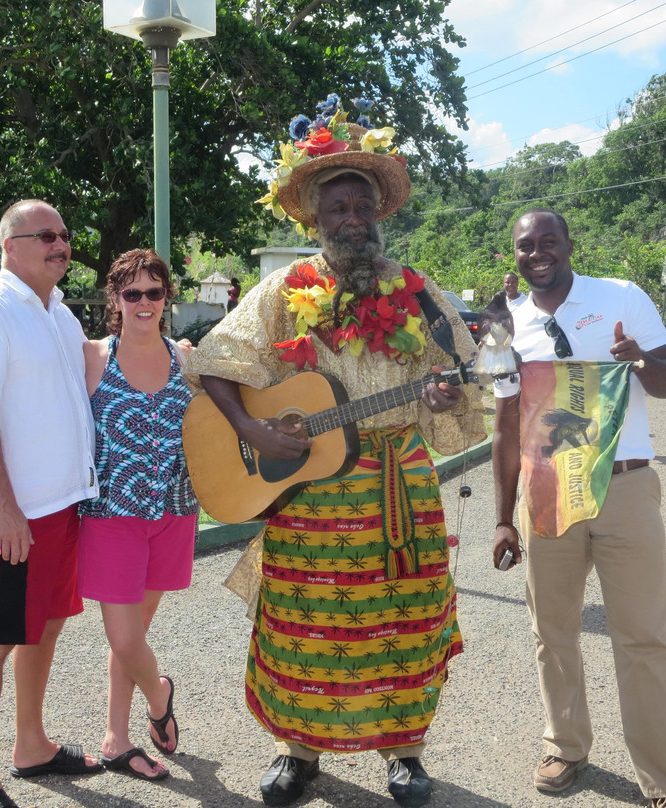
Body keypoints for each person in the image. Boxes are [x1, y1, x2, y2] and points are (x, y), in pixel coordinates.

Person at [183, 101, 486, 808]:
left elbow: (465, 374)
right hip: (309, 493)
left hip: (396, 485)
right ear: (314, 221)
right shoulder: (285, 293)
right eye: (336, 208)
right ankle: (298, 751)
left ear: (379, 211)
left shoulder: (419, 292)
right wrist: (256, 432)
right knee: (301, 623)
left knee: (402, 621)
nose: (351, 217)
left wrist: (445, 398)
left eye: (361, 204)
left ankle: (405, 754)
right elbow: (213, 364)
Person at [491, 208, 666, 808]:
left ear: (569, 245)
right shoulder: (509, 326)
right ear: (517, 254)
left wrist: (638, 359)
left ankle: (665, 782)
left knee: (644, 639)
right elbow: (503, 425)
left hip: (625, 489)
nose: (538, 254)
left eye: (548, 242)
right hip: (548, 489)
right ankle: (566, 746)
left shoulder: (623, 297)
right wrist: (503, 516)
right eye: (526, 246)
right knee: (552, 631)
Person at [0, 200, 102, 808]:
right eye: (45, 236)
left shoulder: (56, 313)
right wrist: (3, 509)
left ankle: (31, 745)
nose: (60, 244)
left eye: (63, 235)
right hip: (12, 516)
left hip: (62, 504)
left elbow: (89, 372)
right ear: (10, 245)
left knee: (45, 624)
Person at [77, 248, 199, 782]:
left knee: (135, 636)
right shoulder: (91, 358)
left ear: (165, 298)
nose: (144, 302)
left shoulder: (186, 359)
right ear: (116, 299)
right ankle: (160, 692)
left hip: (173, 510)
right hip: (110, 515)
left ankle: (115, 739)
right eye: (133, 293)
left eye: (154, 291)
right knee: (125, 640)